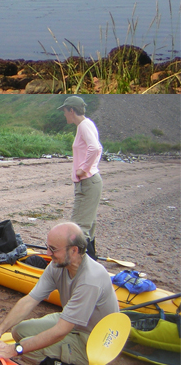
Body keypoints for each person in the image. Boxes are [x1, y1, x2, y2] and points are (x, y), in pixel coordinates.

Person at [0, 222, 119, 365]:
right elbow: (30, 300)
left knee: (27, 349)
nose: (48, 253)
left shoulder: (90, 280)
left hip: (96, 339)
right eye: (48, 247)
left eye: (53, 249)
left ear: (74, 251)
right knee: (19, 331)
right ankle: (58, 359)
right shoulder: (57, 265)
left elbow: (60, 331)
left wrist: (14, 349)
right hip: (73, 323)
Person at [57, 94, 102, 257]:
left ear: (71, 110)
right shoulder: (86, 124)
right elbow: (98, 148)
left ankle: (80, 267)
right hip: (91, 181)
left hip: (88, 182)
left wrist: (84, 169)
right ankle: (91, 258)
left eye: (65, 111)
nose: (64, 114)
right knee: (89, 224)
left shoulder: (83, 125)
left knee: (78, 227)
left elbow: (95, 148)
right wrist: (90, 167)